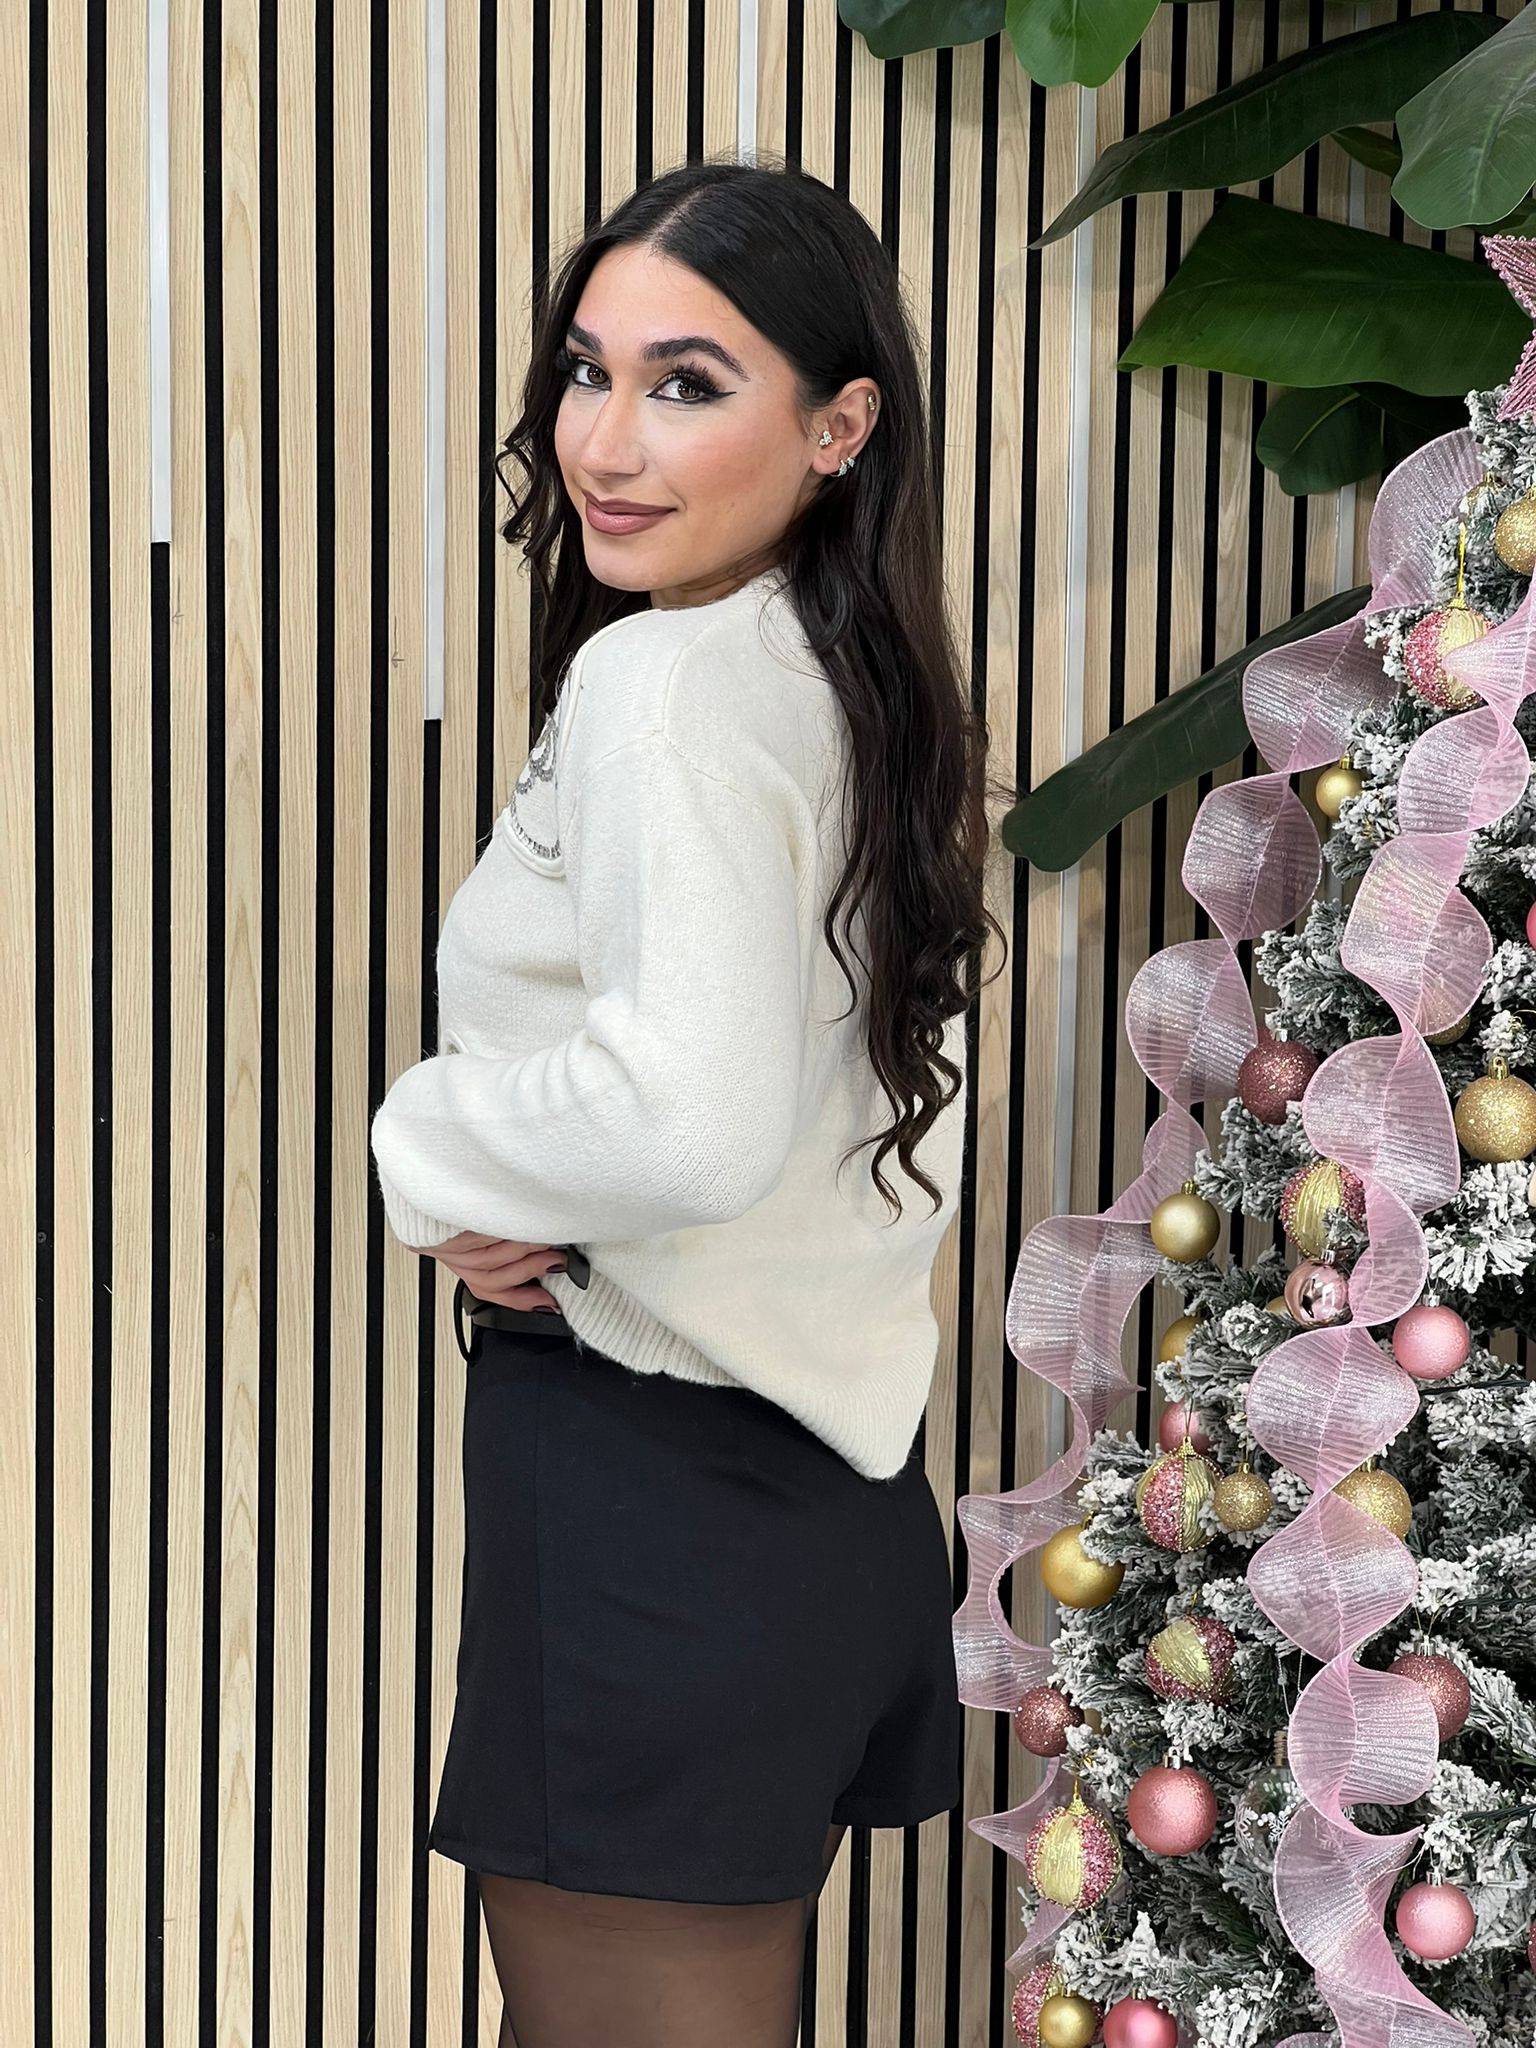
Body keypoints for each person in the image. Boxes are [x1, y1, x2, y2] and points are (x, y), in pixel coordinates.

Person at [369, 154, 1011, 2048]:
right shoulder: (846, 673)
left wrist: (426, 1143)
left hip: (655, 1500)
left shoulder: (666, 685)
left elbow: (688, 1123)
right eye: (589, 371)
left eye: (688, 383)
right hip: (817, 1500)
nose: (606, 440)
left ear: (839, 424)